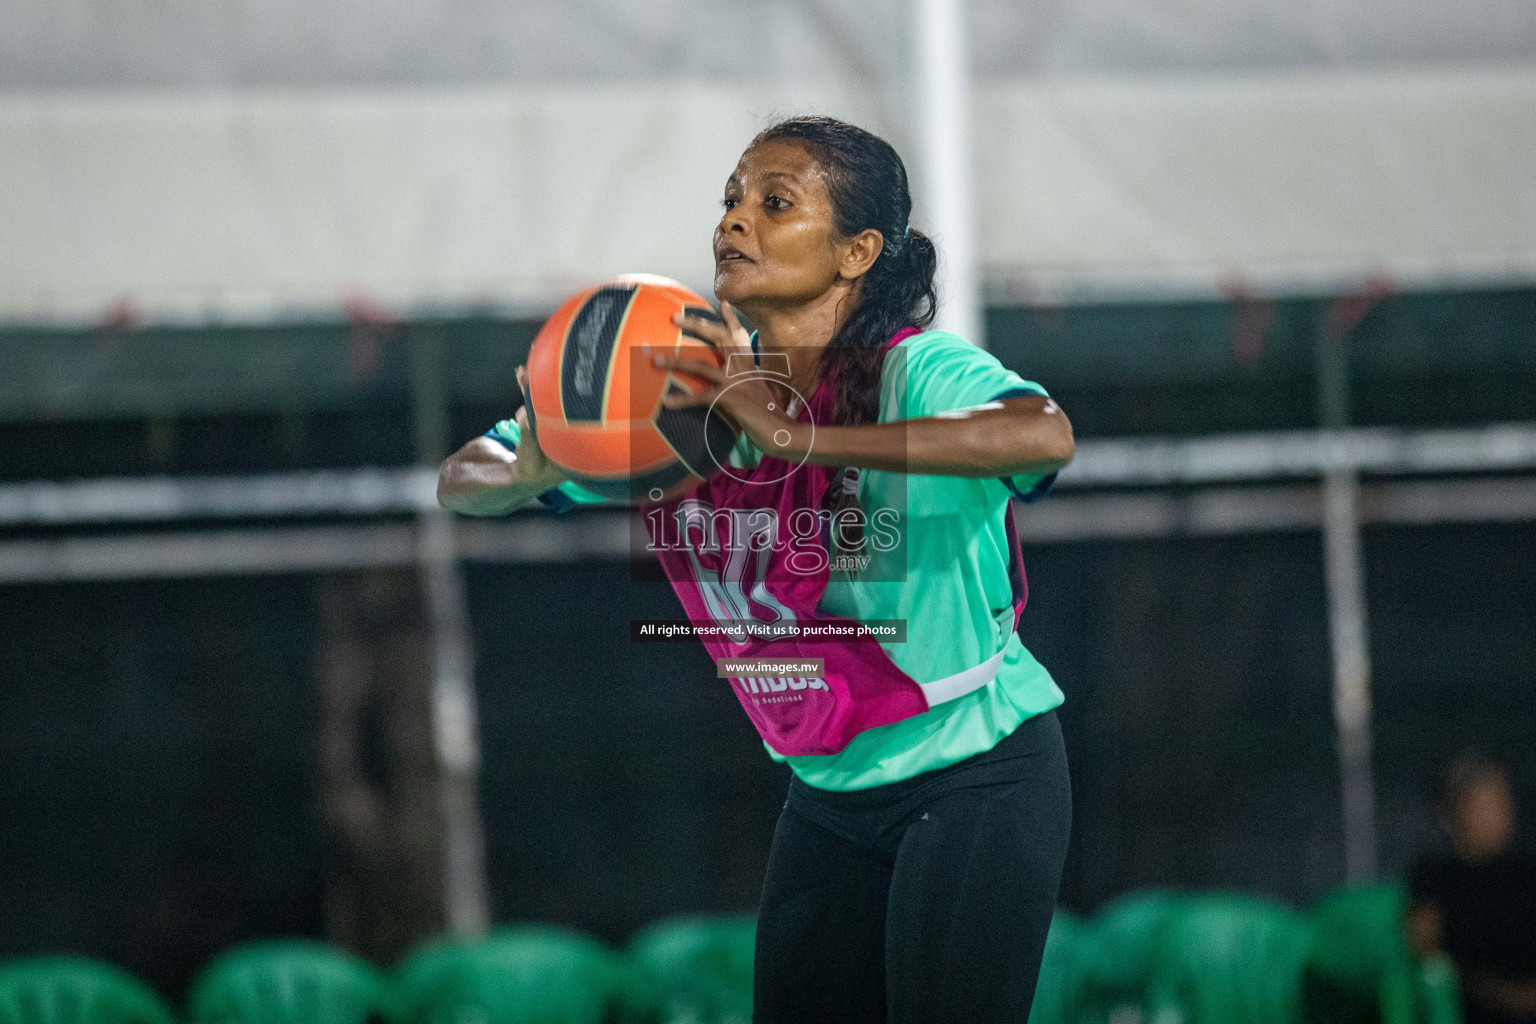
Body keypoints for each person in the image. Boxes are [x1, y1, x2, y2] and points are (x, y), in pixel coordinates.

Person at [438, 116, 1076, 1024]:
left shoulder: (915, 372)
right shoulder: (672, 389)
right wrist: (531, 468)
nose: (735, 222)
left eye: (775, 203)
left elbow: (1044, 436)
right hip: (828, 795)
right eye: (732, 200)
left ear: (857, 253)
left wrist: (808, 436)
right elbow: (462, 479)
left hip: (976, 775)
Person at [1408, 754, 1536, 1024]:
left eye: (1504, 800)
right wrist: (1505, 996)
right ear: (1452, 812)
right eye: (1485, 804)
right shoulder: (1435, 877)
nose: (1502, 813)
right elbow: (1424, 954)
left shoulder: (1526, 872)